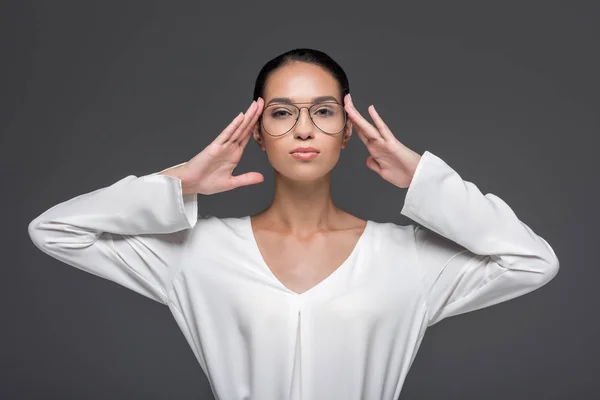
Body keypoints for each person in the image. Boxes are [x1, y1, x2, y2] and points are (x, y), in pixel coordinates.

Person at [28, 48, 560, 400]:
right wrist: (180, 183)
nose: (304, 129)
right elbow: (55, 230)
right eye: (282, 112)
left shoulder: (409, 259)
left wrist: (423, 177)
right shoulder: (197, 253)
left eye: (324, 111)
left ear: (348, 131)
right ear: (258, 131)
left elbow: (532, 261)